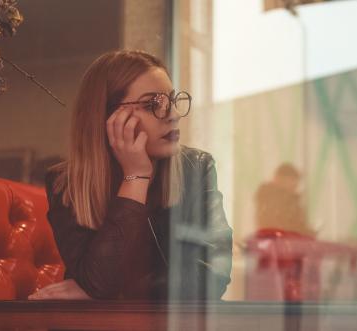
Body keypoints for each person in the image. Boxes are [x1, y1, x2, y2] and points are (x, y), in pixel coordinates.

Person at [29, 50, 232, 301]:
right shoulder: (68, 183)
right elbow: (101, 282)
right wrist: (135, 176)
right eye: (152, 104)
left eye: (172, 100)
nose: (173, 115)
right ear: (107, 116)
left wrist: (110, 290)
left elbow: (213, 277)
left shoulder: (197, 168)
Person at [254, 163, 315, 237]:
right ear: (279, 178)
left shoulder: (288, 200)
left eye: (296, 180)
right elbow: (284, 225)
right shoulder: (274, 199)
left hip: (284, 242)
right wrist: (306, 233)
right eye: (292, 179)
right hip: (282, 242)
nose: (296, 184)